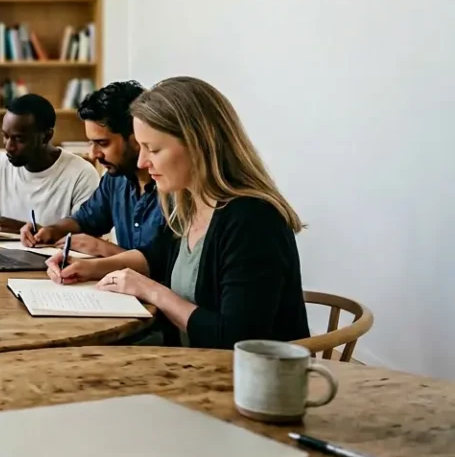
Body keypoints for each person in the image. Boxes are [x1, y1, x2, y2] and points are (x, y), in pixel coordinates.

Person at [46, 76, 310, 349]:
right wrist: (89, 268)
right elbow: (154, 257)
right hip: (191, 358)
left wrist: (152, 290)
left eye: (153, 149)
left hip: (244, 372)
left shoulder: (253, 220)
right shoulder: (190, 203)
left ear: (198, 145)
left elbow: (236, 341)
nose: (142, 162)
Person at [21, 81, 165, 257]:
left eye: (102, 143)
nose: (93, 154)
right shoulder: (115, 179)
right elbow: (85, 221)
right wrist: (52, 230)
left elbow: (166, 268)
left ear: (137, 139)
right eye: (91, 143)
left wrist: (103, 249)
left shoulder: (172, 186)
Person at [0, 93, 100, 233]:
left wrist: (23, 228)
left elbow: (86, 236)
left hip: (57, 249)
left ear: (46, 136)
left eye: (19, 139)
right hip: (2, 247)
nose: (8, 146)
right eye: (6, 136)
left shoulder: (82, 174)